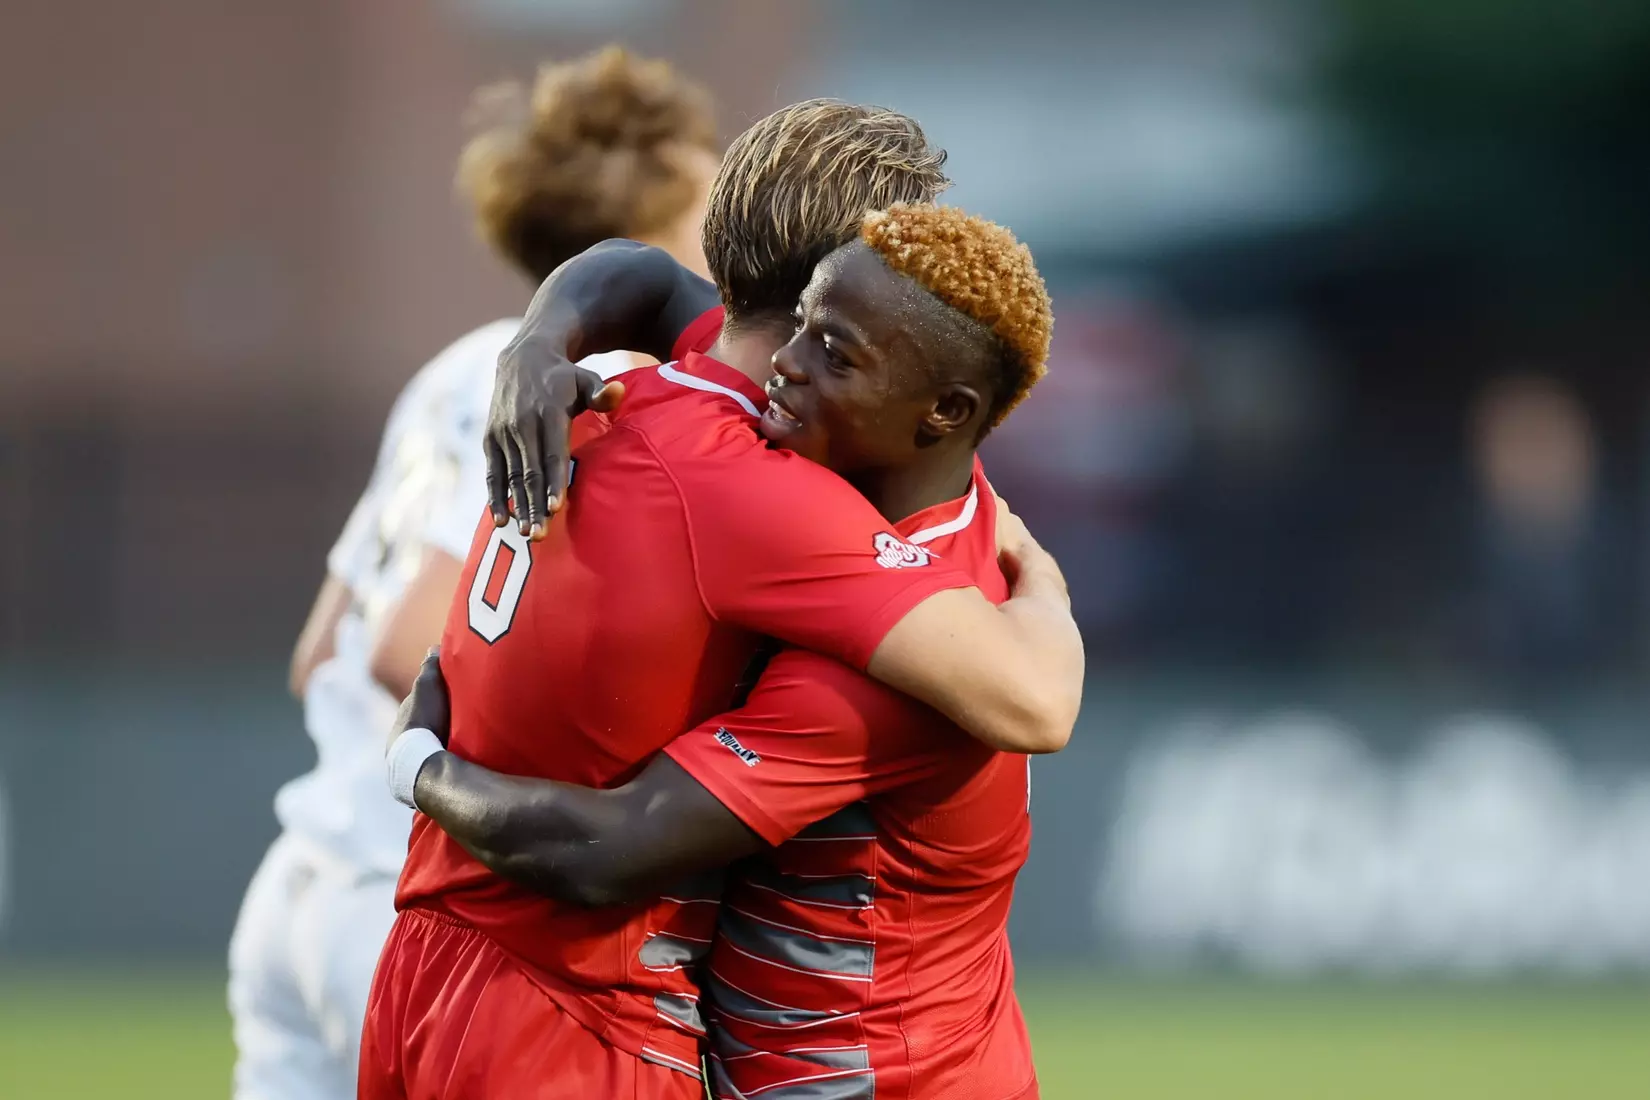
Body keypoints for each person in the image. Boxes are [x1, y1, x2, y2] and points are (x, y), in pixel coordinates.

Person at [360, 105, 1081, 1100]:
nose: (798, 365)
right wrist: (534, 338)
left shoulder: (644, 406)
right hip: (573, 1014)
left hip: (438, 967)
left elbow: (1038, 703)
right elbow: (647, 277)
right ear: (826, 281)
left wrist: (416, 760)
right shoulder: (767, 485)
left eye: (844, 345)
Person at [228, 46, 719, 1100]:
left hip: (299, 881)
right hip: (398, 898)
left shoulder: (456, 364)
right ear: (652, 217)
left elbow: (323, 648)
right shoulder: (554, 382)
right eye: (708, 193)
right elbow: (409, 643)